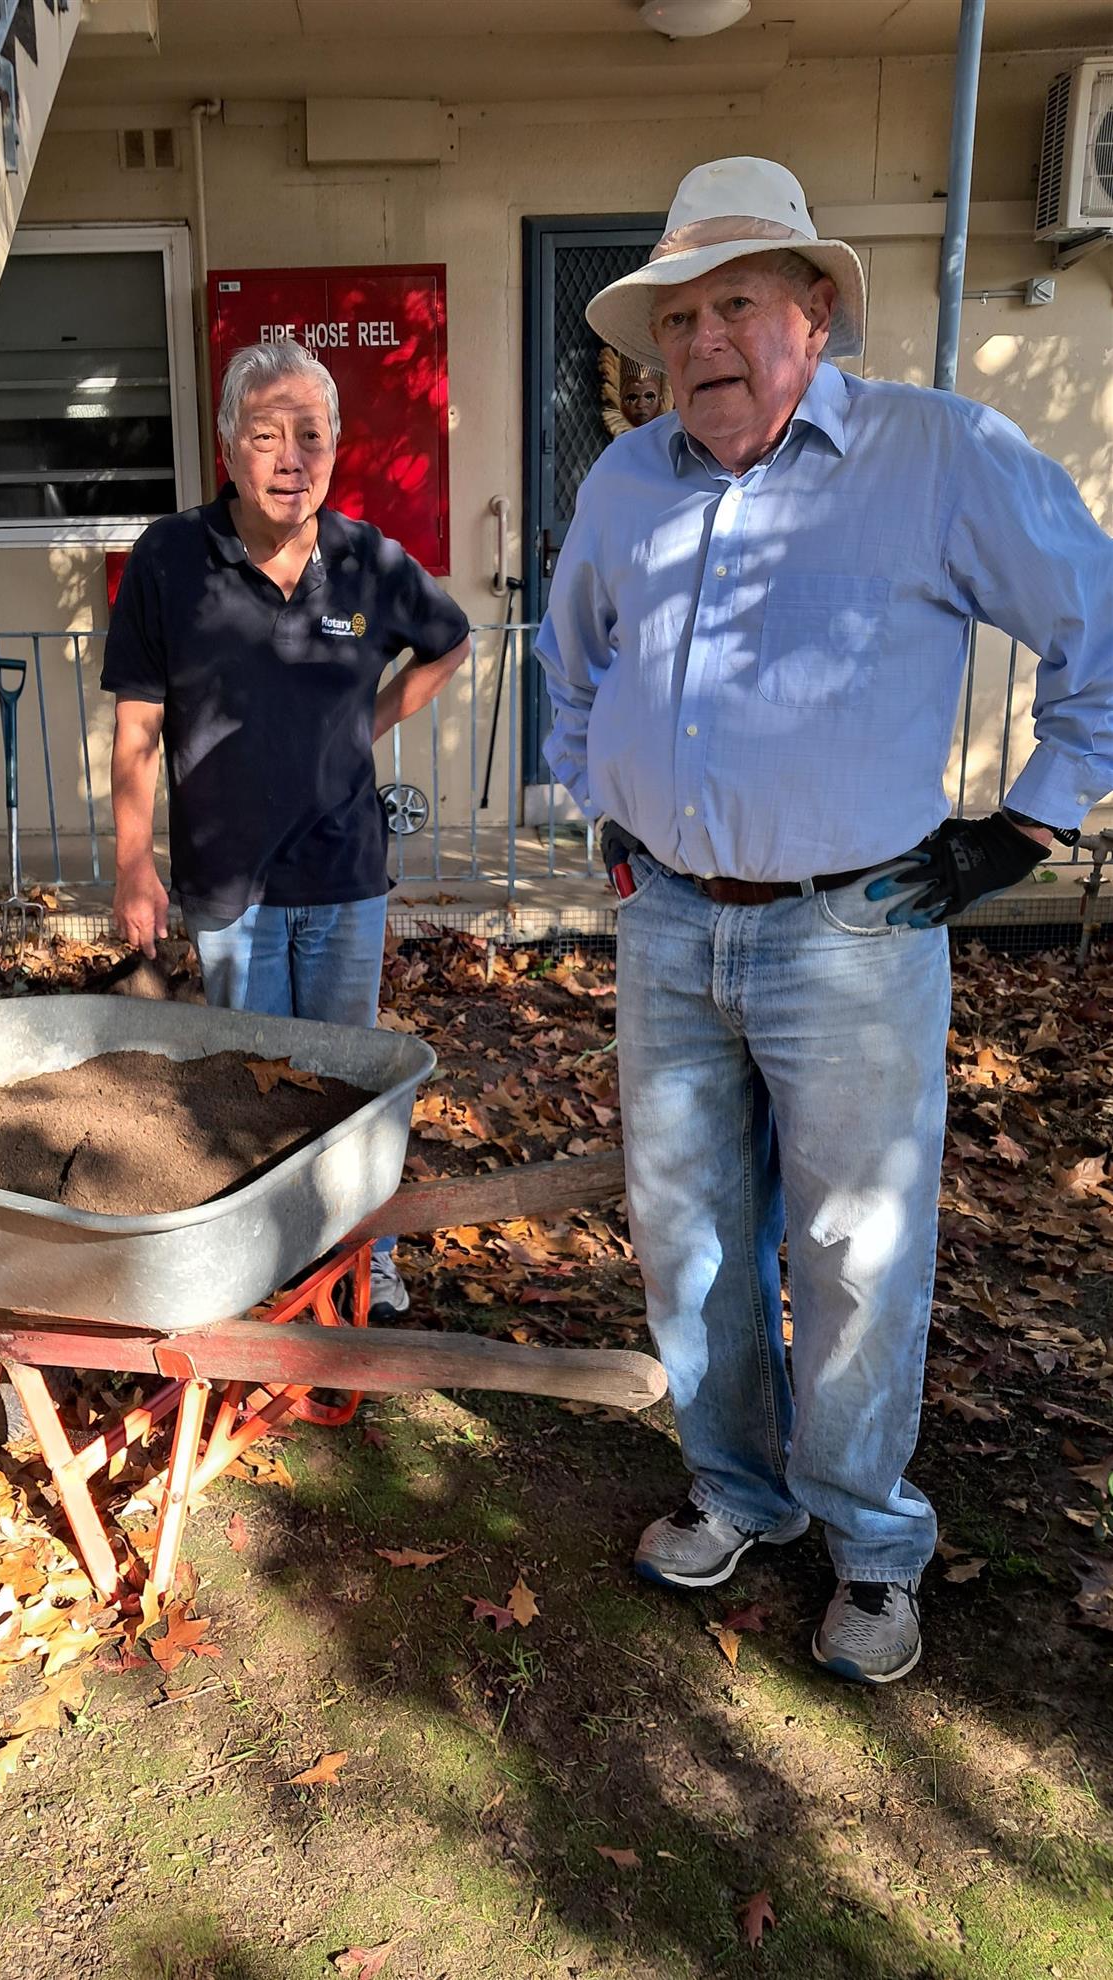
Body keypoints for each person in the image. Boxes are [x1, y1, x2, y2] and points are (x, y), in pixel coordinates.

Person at [537, 155, 1113, 1685]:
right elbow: (572, 664)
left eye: (733, 304)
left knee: (855, 1252)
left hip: (853, 933)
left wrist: (1029, 821)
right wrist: (604, 807)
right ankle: (738, 1491)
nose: (700, 342)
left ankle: (869, 1543)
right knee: (689, 1236)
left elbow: (1099, 626)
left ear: (813, 308)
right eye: (676, 319)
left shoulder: (937, 456)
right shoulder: (626, 482)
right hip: (668, 924)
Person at [104, 338, 471, 1320]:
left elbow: (448, 642)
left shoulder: (366, 560)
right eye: (266, 435)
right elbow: (137, 727)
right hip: (230, 888)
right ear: (227, 446)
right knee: (251, 1092)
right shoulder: (169, 559)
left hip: (345, 874)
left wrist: (367, 724)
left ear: (335, 447)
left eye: (311, 435)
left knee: (348, 1083)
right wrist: (134, 864)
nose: (290, 458)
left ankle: (363, 1265)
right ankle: (266, 1272)